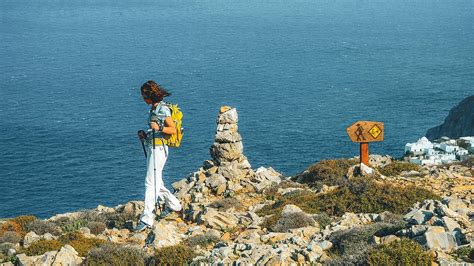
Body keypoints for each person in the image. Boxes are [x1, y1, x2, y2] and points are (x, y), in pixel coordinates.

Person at [134, 80, 183, 232]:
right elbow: (155, 129)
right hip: (153, 147)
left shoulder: (162, 109)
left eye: (144, 95)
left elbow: (173, 130)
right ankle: (176, 206)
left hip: (159, 149)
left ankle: (147, 219)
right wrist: (146, 134)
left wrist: (159, 127)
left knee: (150, 183)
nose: (142, 98)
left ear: (150, 96)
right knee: (157, 182)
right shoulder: (154, 108)